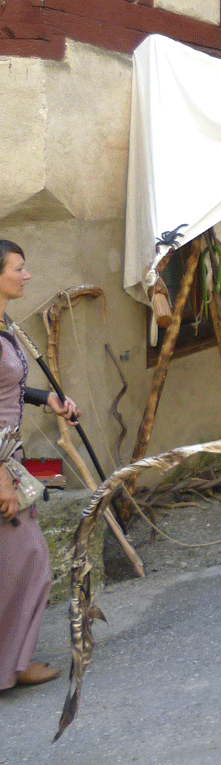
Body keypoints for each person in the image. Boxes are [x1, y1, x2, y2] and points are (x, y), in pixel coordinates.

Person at [0, 240, 81, 691]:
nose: (27, 275)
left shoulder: (4, 325)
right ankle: (13, 664)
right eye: (19, 268)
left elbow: (6, 388)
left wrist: (46, 398)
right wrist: (2, 479)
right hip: (0, 465)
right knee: (30, 562)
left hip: (7, 458)